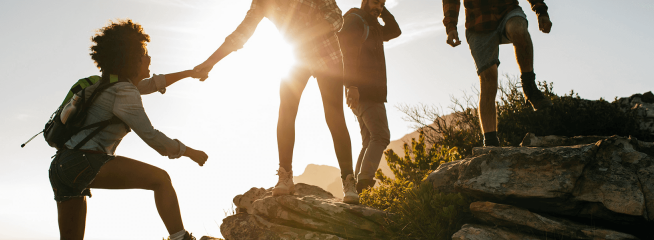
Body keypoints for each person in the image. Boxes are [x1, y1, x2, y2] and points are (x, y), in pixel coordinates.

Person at [48, 19, 207, 240]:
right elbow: (151, 136)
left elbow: (152, 84)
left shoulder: (108, 84)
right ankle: (181, 238)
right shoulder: (123, 91)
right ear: (131, 59)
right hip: (84, 161)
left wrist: (189, 72)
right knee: (160, 180)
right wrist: (190, 152)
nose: (149, 58)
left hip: (61, 167)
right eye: (144, 53)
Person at [193, 0, 360, 203]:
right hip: (296, 57)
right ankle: (285, 175)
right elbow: (241, 33)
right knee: (286, 112)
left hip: (326, 53)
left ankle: (348, 180)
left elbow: (336, 17)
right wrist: (210, 62)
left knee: (334, 115)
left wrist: (305, 36)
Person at [442, 0, 554, 146]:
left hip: (508, 10)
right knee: (488, 79)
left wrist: (541, 11)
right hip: (478, 23)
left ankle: (529, 87)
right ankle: (490, 142)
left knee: (518, 30)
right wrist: (451, 27)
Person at [338, 0, 400, 193]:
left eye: (382, 4)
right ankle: (364, 184)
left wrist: (380, 11)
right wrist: (352, 85)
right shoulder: (355, 20)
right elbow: (348, 54)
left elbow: (395, 31)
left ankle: (357, 188)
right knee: (381, 136)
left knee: (369, 141)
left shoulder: (373, 27)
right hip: (364, 91)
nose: (378, 8)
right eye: (375, 3)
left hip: (366, 91)